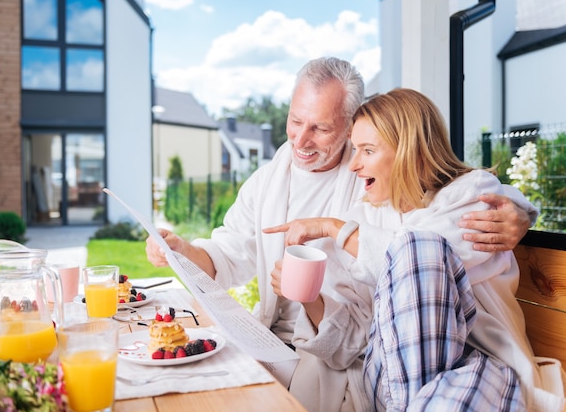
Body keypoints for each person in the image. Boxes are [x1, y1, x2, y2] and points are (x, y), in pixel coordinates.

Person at [146, 57, 533, 345]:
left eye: (320, 128)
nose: (299, 141)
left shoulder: (374, 185)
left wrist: (518, 210)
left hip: (347, 342)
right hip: (279, 336)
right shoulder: (269, 179)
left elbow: (425, 238)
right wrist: (182, 250)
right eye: (296, 121)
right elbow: (228, 254)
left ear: (351, 126)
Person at [263, 88, 564, 412]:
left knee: (418, 249)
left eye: (367, 150)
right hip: (387, 375)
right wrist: (309, 298)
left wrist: (334, 229)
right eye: (355, 150)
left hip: (477, 364)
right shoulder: (364, 217)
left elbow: (414, 260)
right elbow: (351, 344)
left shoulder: (470, 195)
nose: (354, 165)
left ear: (410, 150)